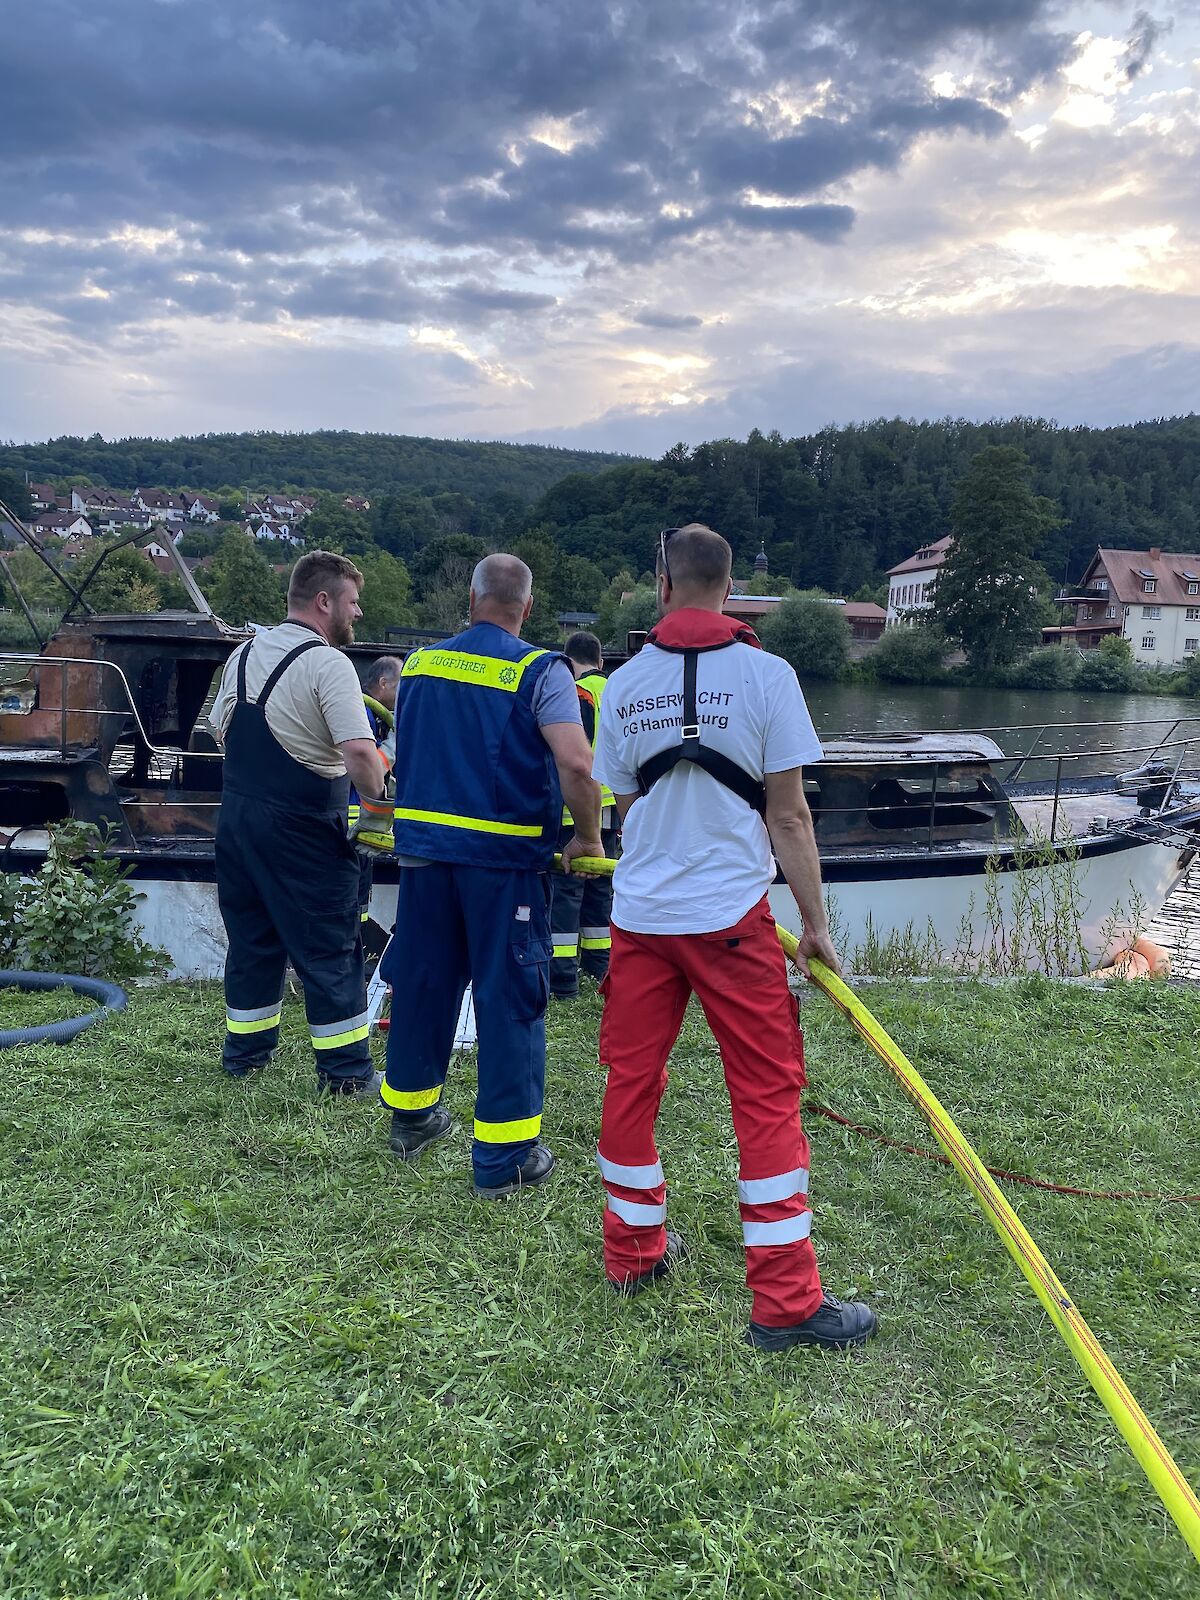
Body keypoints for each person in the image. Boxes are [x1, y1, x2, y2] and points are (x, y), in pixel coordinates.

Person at [593, 524, 877, 1351]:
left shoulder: (620, 685)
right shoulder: (768, 675)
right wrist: (815, 926)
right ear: (728, 589)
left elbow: (624, 811)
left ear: (662, 585)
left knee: (631, 1083)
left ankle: (632, 1254)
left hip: (640, 919)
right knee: (763, 1094)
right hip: (729, 923)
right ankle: (786, 1303)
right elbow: (787, 813)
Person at [380, 553, 604, 1197]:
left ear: (471, 599)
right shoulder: (541, 669)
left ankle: (414, 1118)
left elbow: (400, 755)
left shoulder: (419, 665)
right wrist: (586, 836)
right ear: (526, 608)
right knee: (509, 999)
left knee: (424, 984)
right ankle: (504, 1159)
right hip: (503, 868)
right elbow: (576, 764)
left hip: (423, 860)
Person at [211, 550, 393, 1097]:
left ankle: (245, 1057)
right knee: (329, 944)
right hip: (303, 824)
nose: (356, 614)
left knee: (252, 941)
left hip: (238, 819)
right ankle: (346, 1075)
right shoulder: (328, 663)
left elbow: (221, 731)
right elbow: (361, 754)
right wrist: (381, 805)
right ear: (324, 601)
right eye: (353, 602)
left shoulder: (243, 653)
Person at [550, 631, 619, 998]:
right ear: (601, 660)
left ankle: (562, 978)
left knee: (566, 890)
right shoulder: (616, 691)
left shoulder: (577, 693)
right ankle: (599, 965)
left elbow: (570, 756)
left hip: (574, 807)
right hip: (612, 806)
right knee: (600, 889)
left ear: (566, 660)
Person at [349, 655, 403, 930]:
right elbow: (369, 767)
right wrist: (393, 747)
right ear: (383, 683)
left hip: (364, 823)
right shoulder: (362, 712)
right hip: (353, 822)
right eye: (400, 686)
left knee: (359, 898)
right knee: (351, 893)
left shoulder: (379, 716)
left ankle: (354, 949)